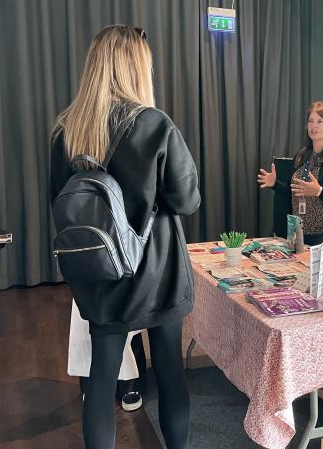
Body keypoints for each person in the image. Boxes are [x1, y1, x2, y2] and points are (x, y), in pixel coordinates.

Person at [50, 25, 200, 449]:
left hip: (100, 272)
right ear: (137, 68)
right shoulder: (153, 124)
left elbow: (57, 203)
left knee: (100, 378)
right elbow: (187, 200)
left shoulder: (67, 129)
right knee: (169, 372)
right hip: (157, 271)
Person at [258, 102, 323, 246]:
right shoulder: (302, 155)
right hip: (298, 232)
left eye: (319, 121)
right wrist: (275, 184)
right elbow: (295, 192)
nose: (313, 126)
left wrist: (320, 191)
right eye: (310, 121)